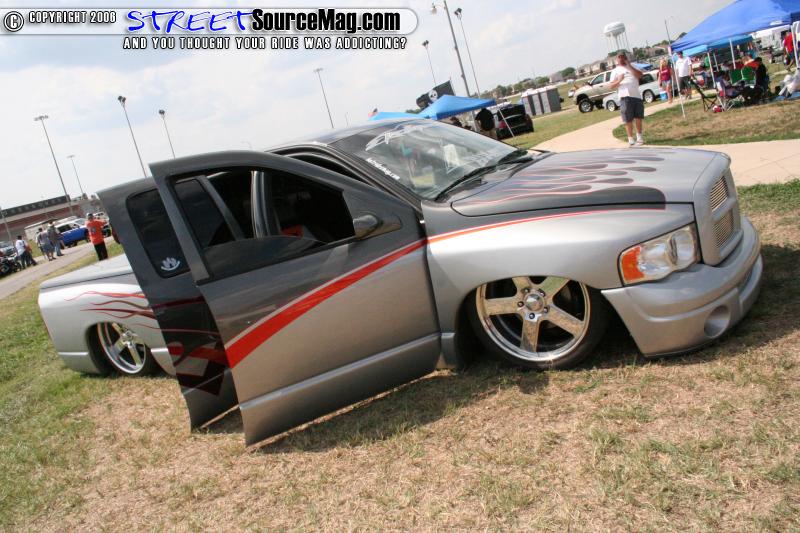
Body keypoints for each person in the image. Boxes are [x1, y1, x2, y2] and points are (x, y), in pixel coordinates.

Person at [609, 52, 644, 146]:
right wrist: (619, 80)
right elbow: (611, 86)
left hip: (636, 95)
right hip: (624, 97)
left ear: (626, 58)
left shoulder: (633, 66)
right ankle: (630, 139)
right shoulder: (615, 71)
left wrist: (629, 66)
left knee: (638, 117)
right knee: (628, 119)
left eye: (623, 57)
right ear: (617, 59)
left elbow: (640, 75)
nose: (621, 59)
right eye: (619, 57)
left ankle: (640, 137)